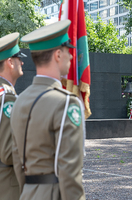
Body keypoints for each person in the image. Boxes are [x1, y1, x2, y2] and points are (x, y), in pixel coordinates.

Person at [11, 20, 86, 200]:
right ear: (58, 55)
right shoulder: (66, 103)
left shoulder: (19, 101)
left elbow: (17, 161)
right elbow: (69, 173)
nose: (72, 57)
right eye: (69, 51)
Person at [0, 32, 26, 200]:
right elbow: (8, 153)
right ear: (10, 62)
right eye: (18, 58)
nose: (22, 62)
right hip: (7, 187)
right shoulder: (7, 96)